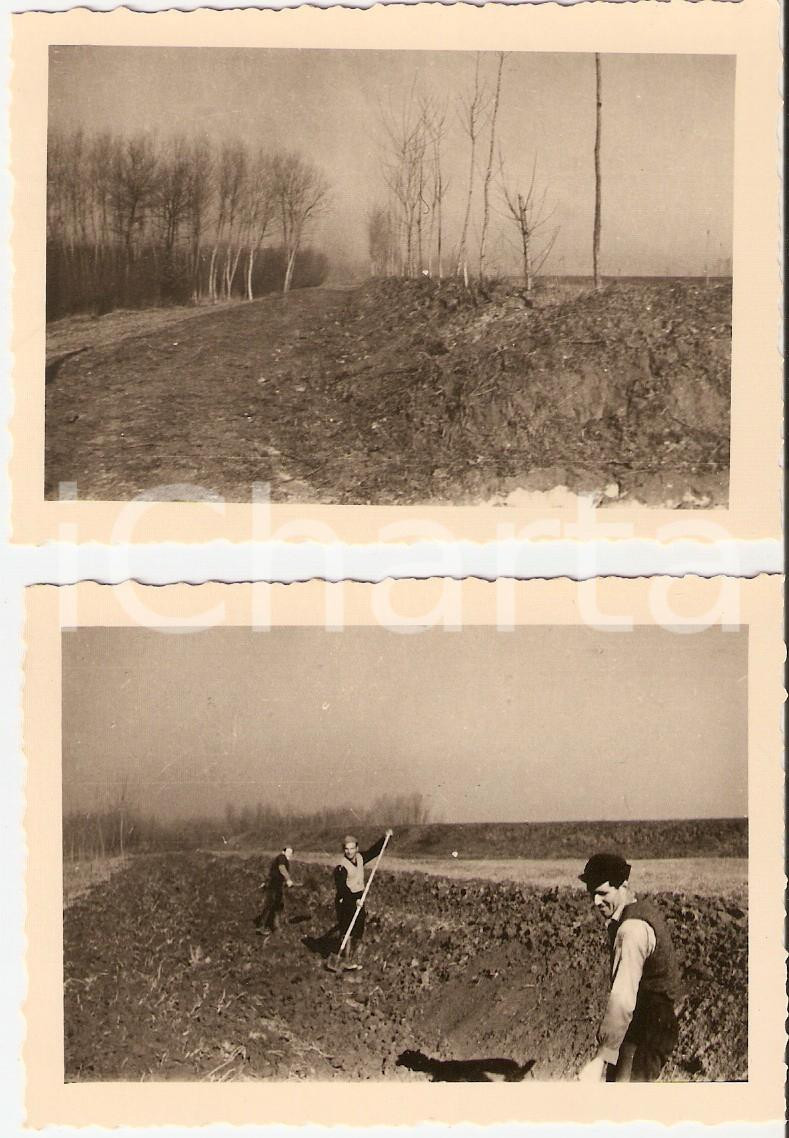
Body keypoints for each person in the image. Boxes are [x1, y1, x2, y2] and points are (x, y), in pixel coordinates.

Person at [577, 852, 682, 1083]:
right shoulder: (635, 912)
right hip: (640, 1023)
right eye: (592, 894)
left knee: (627, 1102)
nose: (595, 902)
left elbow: (622, 997)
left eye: (603, 893)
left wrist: (600, 1059)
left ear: (623, 885)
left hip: (651, 1027)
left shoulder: (631, 930)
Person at [333, 830, 393, 970]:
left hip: (359, 897)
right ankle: (345, 960)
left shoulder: (360, 858)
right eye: (346, 849)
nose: (349, 851)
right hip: (345, 900)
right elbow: (342, 889)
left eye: (352, 848)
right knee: (347, 929)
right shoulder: (341, 867)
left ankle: (352, 958)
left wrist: (385, 838)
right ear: (344, 850)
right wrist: (353, 901)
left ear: (357, 849)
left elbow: (374, 851)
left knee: (359, 928)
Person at [255, 845, 295, 940]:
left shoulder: (281, 858)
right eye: (288, 852)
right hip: (274, 886)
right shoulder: (282, 858)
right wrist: (288, 879)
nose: (290, 854)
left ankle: (275, 926)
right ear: (284, 851)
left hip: (276, 885)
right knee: (270, 905)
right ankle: (262, 927)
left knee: (276, 906)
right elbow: (281, 868)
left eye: (291, 853)